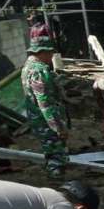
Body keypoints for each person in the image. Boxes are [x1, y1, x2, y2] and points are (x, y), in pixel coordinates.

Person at [21, 34, 68, 177]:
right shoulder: (38, 70)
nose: (51, 56)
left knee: (50, 149)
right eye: (50, 53)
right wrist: (57, 127)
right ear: (43, 52)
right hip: (45, 120)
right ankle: (57, 178)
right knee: (55, 150)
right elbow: (44, 102)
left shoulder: (27, 67)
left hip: (38, 118)